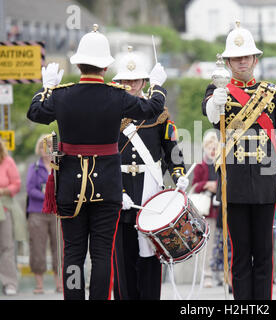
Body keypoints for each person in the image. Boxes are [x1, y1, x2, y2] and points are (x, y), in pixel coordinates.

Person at [27, 24, 167, 300]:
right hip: (107, 186)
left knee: (74, 254)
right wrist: (157, 86)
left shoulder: (61, 95)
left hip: (69, 187)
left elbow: (36, 113)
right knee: (102, 254)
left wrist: (46, 88)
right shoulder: (117, 96)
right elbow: (152, 108)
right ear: (105, 69)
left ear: (78, 64)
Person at [201, 21, 276, 300]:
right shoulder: (217, 89)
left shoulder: (272, 92)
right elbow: (208, 114)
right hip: (234, 183)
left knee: (264, 254)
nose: (242, 62)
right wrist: (215, 102)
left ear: (255, 59)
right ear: (228, 61)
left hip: (267, 183)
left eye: (246, 57)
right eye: (236, 58)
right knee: (241, 255)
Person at [112, 46, 187, 300]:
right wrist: (116, 190)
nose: (130, 84)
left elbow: (172, 151)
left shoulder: (159, 114)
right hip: (120, 192)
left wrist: (179, 176)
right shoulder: (110, 115)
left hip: (150, 194)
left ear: (144, 81)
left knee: (151, 261)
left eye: (134, 80)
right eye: (125, 80)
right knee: (123, 261)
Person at [26, 135, 63, 294]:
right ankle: (39, 285)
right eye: (43, 147)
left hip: (57, 212)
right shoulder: (34, 167)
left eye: (49, 146)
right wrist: (48, 196)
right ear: (39, 149)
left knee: (59, 248)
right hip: (37, 212)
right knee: (37, 248)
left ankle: (60, 283)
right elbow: (30, 189)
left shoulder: (60, 165)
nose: (46, 150)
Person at [191, 131, 221, 288]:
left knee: (221, 243)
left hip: (222, 209)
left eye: (215, 146)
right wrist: (207, 185)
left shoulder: (223, 164)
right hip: (207, 210)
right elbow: (194, 186)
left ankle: (222, 274)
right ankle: (207, 275)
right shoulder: (200, 166)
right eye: (209, 146)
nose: (212, 149)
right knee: (208, 245)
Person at [0, 139, 21, 296]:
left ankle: (10, 283)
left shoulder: (8, 161)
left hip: (4, 208)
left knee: (7, 246)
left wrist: (3, 191)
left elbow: (16, 184)